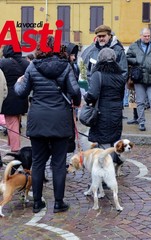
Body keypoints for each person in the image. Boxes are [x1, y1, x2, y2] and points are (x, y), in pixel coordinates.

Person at [14, 36, 82, 213]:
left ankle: (37, 202)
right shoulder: (65, 66)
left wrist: (18, 82)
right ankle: (59, 203)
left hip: (38, 120)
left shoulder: (32, 66)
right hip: (60, 119)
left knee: (37, 162)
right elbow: (75, 91)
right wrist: (74, 102)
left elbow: (21, 92)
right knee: (59, 164)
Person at [84, 48, 126, 151]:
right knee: (114, 141)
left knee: (104, 143)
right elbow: (121, 95)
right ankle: (113, 163)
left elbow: (92, 95)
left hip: (101, 113)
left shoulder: (97, 74)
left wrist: (86, 98)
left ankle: (106, 165)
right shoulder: (120, 76)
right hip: (117, 112)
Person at [126, 28, 151, 132]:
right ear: (141, 36)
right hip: (139, 77)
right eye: (145, 36)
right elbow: (127, 57)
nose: (147, 37)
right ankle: (141, 122)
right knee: (140, 102)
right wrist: (137, 60)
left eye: (148, 36)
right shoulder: (134, 46)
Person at [0, 45, 29, 152]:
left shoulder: (3, 63)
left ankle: (15, 148)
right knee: (15, 120)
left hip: (8, 97)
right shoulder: (26, 63)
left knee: (11, 123)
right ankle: (10, 143)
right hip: (21, 95)